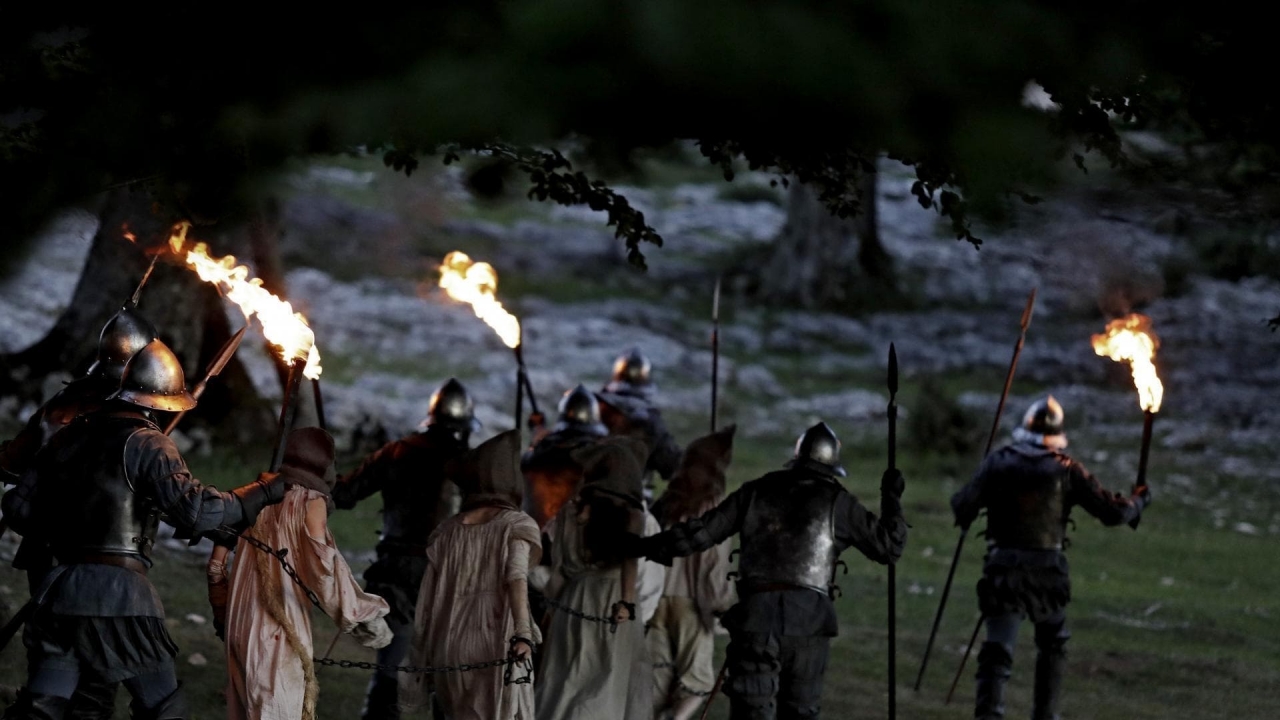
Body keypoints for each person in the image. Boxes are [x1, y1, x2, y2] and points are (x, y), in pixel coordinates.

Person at [0, 338, 290, 719]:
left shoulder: (69, 435)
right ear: (160, 401)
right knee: (163, 709)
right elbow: (196, 511)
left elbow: (19, 509)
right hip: (120, 598)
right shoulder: (150, 444)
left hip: (59, 592)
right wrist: (258, 494)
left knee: (41, 711)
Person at [625, 422, 907, 720]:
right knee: (800, 713)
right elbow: (888, 547)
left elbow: (700, 534)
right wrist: (891, 498)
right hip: (809, 624)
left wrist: (644, 546)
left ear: (797, 457)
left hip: (757, 619)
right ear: (832, 466)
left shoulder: (757, 491)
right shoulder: (840, 503)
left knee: (751, 713)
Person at [0, 306, 158, 719]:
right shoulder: (127, 417)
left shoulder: (63, 401)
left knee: (52, 659)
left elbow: (12, 463)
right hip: (98, 560)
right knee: (93, 676)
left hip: (47, 552)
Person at [950, 396, 1151, 720]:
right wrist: (1138, 502)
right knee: (1053, 642)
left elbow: (961, 505)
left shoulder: (999, 461)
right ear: (1057, 434)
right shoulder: (1067, 469)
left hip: (1004, 571)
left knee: (998, 650)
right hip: (1046, 574)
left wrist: (972, 506)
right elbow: (1113, 513)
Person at [217, 427, 393, 720]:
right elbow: (324, 573)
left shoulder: (255, 496)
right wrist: (365, 616)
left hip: (242, 621)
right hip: (274, 627)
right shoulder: (310, 501)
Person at [330, 378, 478, 720]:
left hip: (398, 572)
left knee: (392, 669)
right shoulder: (470, 465)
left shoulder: (397, 452)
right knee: (446, 673)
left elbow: (344, 494)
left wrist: (326, 474)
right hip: (447, 575)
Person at [398, 429, 542, 720]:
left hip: (449, 639)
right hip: (494, 638)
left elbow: (428, 600)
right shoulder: (516, 524)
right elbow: (516, 578)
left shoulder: (446, 531)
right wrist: (523, 633)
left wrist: (423, 652)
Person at [531, 437, 650, 720]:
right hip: (614, 601)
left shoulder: (570, 513)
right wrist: (627, 603)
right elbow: (630, 564)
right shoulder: (633, 515)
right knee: (606, 680)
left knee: (566, 677)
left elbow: (560, 570)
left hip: (574, 598)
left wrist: (550, 610)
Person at [648, 426, 738, 720]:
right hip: (690, 605)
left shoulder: (667, 502)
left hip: (657, 599)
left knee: (658, 675)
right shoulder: (711, 505)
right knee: (696, 683)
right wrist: (720, 606)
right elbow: (713, 563)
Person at [595, 348, 682, 503]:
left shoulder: (596, 408)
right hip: (633, 500)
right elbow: (671, 465)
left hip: (589, 497)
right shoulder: (649, 420)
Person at [521, 384, 609, 529]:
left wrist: (537, 429)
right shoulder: (601, 459)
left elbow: (532, 454)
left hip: (537, 535)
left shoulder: (538, 455)